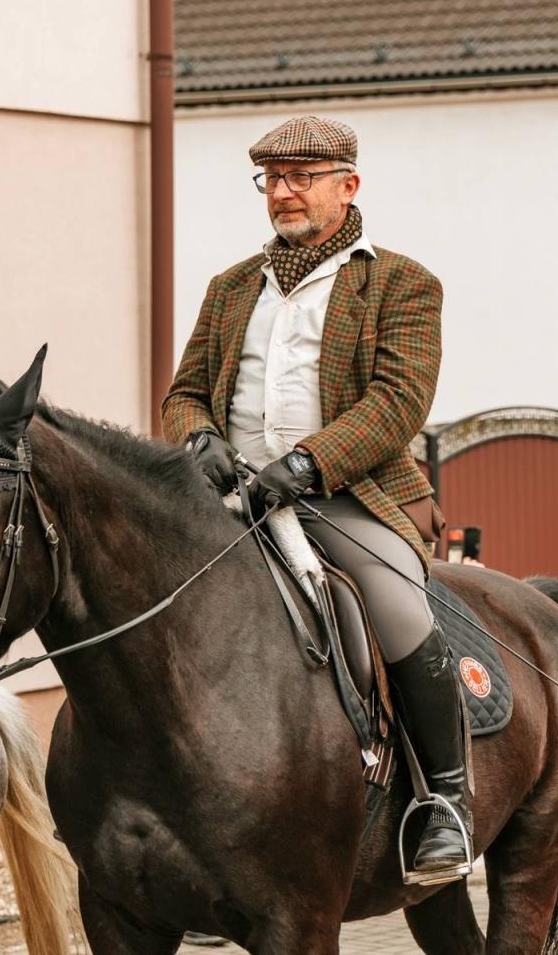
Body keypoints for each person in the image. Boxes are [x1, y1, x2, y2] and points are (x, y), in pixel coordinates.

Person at [161, 114, 469, 881]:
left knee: (396, 608)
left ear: (347, 185)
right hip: (230, 497)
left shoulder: (401, 282)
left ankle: (446, 804)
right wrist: (198, 438)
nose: (284, 193)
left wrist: (307, 464)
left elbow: (399, 400)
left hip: (346, 496)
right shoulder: (231, 287)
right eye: (273, 179)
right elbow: (187, 391)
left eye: (302, 177)